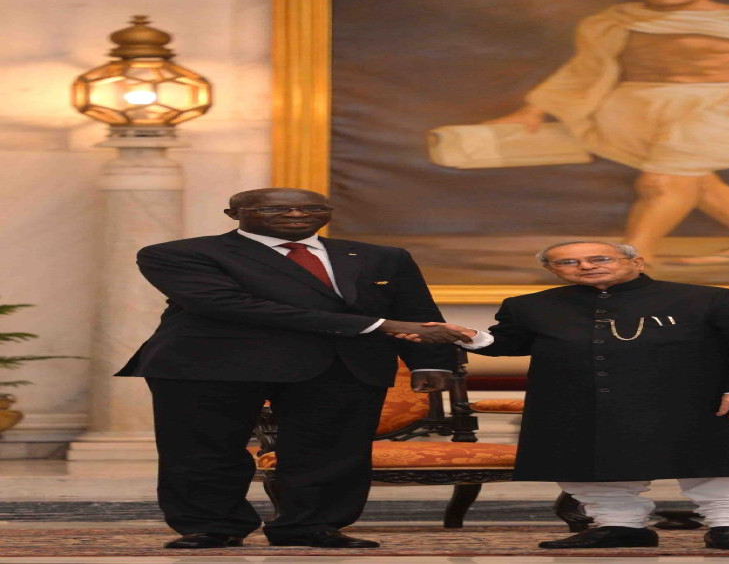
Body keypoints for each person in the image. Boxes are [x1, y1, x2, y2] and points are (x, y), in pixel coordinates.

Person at [117, 188, 473, 549]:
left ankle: (312, 525)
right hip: (213, 362)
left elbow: (416, 312)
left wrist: (430, 363)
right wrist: (378, 325)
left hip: (341, 362)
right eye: (276, 209)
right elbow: (229, 305)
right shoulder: (179, 253)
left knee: (333, 451)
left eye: (311, 208)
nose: (296, 214)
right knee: (204, 450)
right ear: (234, 214)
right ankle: (211, 526)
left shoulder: (382, 257)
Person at [404, 240, 729, 549]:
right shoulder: (531, 305)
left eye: (599, 258)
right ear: (552, 270)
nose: (585, 266)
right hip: (583, 402)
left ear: (636, 262)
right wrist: (469, 337)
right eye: (568, 262)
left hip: (695, 400)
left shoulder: (713, 298)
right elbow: (509, 342)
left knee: (718, 459)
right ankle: (619, 526)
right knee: (592, 462)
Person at [483, 0, 729, 264]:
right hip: (635, 108)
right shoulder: (612, 21)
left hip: (718, 107)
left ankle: (633, 257)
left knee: (662, 182)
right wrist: (534, 110)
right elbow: (584, 71)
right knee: (696, 180)